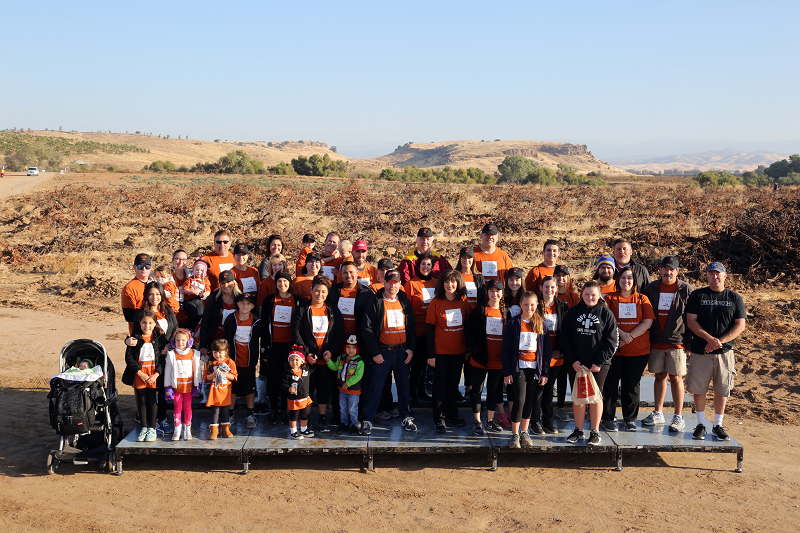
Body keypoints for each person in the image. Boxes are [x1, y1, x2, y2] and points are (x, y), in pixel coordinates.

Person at [686, 262, 746, 441]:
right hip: (701, 351)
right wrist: (709, 339)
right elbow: (691, 321)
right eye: (711, 274)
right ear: (707, 276)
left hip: (724, 353)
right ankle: (700, 424)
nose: (715, 277)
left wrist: (719, 342)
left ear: (725, 276)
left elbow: (740, 325)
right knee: (699, 388)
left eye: (718, 274)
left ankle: (717, 425)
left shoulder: (735, 297)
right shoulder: (698, 295)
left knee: (722, 389)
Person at [360, 269, 417, 435]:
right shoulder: (375, 302)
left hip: (401, 352)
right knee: (375, 387)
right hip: (382, 353)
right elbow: (367, 329)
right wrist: (375, 352)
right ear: (384, 283)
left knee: (403, 387)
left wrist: (410, 349)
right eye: (390, 282)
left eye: (396, 282)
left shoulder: (404, 301)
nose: (393, 285)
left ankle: (406, 417)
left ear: (400, 284)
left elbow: (411, 326)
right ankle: (367, 420)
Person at [560, 281, 618, 446]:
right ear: (581, 294)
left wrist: (599, 361)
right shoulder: (573, 313)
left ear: (599, 295)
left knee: (595, 396)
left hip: (598, 364)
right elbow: (565, 339)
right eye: (587, 294)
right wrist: (572, 360)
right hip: (577, 363)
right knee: (578, 397)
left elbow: (611, 341)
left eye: (593, 295)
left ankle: (595, 431)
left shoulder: (606, 314)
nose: (590, 297)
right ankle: (578, 430)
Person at [642, 256, 694, 432]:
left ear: (677, 271)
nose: (668, 272)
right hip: (656, 341)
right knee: (659, 376)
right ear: (660, 270)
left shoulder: (686, 290)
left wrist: (689, 344)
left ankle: (678, 417)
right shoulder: (651, 288)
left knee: (676, 378)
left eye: (672, 269)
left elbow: (692, 319)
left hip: (677, 342)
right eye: (665, 268)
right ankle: (658, 412)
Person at [601, 267, 655, 432]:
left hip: (638, 351)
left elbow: (647, 322)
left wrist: (629, 336)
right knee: (610, 384)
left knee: (631, 385)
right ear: (618, 280)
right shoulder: (609, 298)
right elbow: (605, 320)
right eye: (623, 277)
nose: (626, 281)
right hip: (614, 351)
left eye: (630, 277)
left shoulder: (642, 299)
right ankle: (608, 418)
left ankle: (629, 419)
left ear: (635, 280)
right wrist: (621, 334)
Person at [291, 275, 343, 432]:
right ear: (311, 290)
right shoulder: (302, 308)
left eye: (323, 292)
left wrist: (331, 351)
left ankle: (322, 419)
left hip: (326, 360)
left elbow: (339, 332)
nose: (319, 294)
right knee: (306, 390)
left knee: (323, 390)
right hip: (308, 360)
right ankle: (306, 420)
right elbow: (296, 332)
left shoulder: (332, 309)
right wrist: (306, 353)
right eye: (317, 291)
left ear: (327, 294)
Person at [502, 291, 552, 448]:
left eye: (532, 304)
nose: (529, 307)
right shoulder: (513, 324)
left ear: (536, 305)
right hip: (519, 368)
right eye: (525, 304)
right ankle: (514, 434)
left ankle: (525, 432)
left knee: (530, 401)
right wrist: (507, 371)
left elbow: (546, 351)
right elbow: (506, 349)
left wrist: (544, 372)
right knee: (520, 400)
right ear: (520, 305)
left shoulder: (541, 324)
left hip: (534, 369)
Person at [326, 260, 374, 424]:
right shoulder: (334, 290)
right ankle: (338, 415)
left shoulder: (366, 293)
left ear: (357, 273)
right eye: (345, 272)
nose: (348, 275)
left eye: (351, 272)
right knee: (337, 381)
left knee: (358, 381)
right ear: (340, 274)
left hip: (359, 346)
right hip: (338, 344)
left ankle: (359, 414)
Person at [426, 269, 473, 433]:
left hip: (458, 351)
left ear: (458, 283)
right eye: (446, 282)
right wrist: (430, 354)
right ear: (442, 284)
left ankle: (453, 414)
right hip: (440, 352)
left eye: (453, 282)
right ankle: (439, 418)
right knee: (440, 385)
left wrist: (468, 349)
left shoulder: (464, 301)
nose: (450, 285)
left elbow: (468, 327)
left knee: (453, 385)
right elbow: (430, 330)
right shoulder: (436, 302)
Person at [466, 279, 507, 435]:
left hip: (498, 360)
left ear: (502, 294)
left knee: (493, 391)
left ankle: (489, 421)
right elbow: (470, 332)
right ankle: (477, 421)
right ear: (487, 293)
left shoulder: (506, 312)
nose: (494, 294)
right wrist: (475, 350)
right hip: (480, 359)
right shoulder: (479, 310)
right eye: (491, 291)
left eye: (497, 291)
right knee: (477, 390)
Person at [122, 310, 167, 443]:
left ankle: (152, 428)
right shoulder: (134, 338)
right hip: (140, 375)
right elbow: (129, 358)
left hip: (153, 374)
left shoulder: (159, 339)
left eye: (150, 323)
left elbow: (163, 359)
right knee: (141, 401)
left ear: (155, 324)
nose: (147, 326)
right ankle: (143, 427)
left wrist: (156, 374)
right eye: (144, 323)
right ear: (140, 323)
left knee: (152, 401)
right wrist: (139, 373)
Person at [260, 270, 296, 424]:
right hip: (274, 345)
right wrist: (265, 348)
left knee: (287, 378)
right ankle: (274, 409)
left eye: (285, 281)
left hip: (290, 346)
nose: (282, 284)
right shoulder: (270, 300)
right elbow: (264, 325)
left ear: (290, 283)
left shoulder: (297, 300)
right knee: (273, 379)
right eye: (279, 281)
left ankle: (285, 409)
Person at [536, 276, 570, 434]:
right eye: (546, 287)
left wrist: (560, 352)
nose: (549, 290)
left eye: (552, 287)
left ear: (557, 289)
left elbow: (568, 333)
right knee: (537, 390)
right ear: (541, 288)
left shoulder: (563, 307)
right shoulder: (535, 306)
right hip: (537, 356)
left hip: (556, 356)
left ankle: (548, 422)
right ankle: (535, 421)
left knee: (548, 390)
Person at [404, 253, 438, 404]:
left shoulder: (437, 283)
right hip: (417, 329)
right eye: (423, 264)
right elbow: (405, 308)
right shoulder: (411, 284)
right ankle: (412, 392)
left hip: (432, 331)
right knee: (417, 365)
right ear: (418, 266)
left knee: (426, 364)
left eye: (428, 264)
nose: (426, 267)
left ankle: (422, 390)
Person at [224, 293, 261, 430]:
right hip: (233, 361)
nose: (245, 306)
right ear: (238, 304)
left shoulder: (256, 321)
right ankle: (230, 413)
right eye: (242, 303)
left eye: (248, 304)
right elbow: (226, 339)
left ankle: (250, 414)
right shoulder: (231, 319)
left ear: (252, 306)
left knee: (249, 389)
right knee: (233, 388)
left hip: (249, 361)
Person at [164, 328, 202, 441]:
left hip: (189, 387)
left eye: (183, 340)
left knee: (187, 407)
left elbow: (198, 370)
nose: (180, 343)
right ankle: (177, 429)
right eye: (178, 340)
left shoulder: (194, 354)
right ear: (173, 342)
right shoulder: (171, 354)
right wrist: (168, 386)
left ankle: (187, 429)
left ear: (189, 341)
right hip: (177, 388)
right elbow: (167, 371)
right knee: (177, 407)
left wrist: (198, 385)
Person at [326, 334, 365, 435]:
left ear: (357, 349)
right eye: (348, 347)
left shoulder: (359, 361)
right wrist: (328, 361)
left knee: (352, 409)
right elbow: (335, 368)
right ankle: (344, 423)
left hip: (353, 391)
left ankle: (354, 425)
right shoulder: (341, 357)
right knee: (343, 408)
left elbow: (358, 375)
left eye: (353, 348)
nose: (350, 350)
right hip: (342, 389)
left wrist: (348, 383)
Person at [199, 271, 241, 358]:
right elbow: (205, 320)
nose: (226, 286)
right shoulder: (214, 298)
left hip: (234, 341)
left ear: (234, 282)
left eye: (228, 282)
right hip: (216, 340)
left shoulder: (240, 298)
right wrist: (203, 344)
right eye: (222, 283)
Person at [203, 338, 238, 440]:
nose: (217, 355)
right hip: (215, 392)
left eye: (220, 352)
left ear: (226, 351)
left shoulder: (230, 362)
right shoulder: (210, 363)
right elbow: (206, 378)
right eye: (215, 352)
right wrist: (214, 374)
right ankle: (214, 431)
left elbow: (234, 377)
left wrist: (225, 374)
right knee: (215, 411)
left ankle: (226, 429)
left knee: (226, 411)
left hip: (225, 392)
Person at [282, 345, 315, 439]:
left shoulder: (306, 370)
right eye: (292, 359)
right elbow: (283, 384)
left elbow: (314, 367)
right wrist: (288, 389)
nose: (294, 362)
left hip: (305, 398)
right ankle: (293, 432)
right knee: (294, 416)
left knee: (305, 415)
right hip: (294, 399)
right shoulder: (287, 373)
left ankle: (304, 430)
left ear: (302, 361)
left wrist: (313, 360)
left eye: (297, 360)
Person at [121, 253, 152, 334]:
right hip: (139, 333)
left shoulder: (154, 284)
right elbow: (129, 316)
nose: (144, 269)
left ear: (151, 268)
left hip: (156, 332)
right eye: (140, 266)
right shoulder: (129, 288)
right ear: (134, 268)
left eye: (147, 266)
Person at [182, 259, 211, 331]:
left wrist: (205, 294)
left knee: (200, 315)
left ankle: (197, 330)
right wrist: (192, 291)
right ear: (194, 270)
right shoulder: (190, 279)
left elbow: (208, 290)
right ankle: (189, 329)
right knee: (193, 315)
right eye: (197, 270)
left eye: (201, 270)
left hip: (199, 300)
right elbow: (184, 290)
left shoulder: (206, 280)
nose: (199, 272)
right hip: (189, 300)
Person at [169, 249, 192, 327]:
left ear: (187, 261)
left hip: (189, 316)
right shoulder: (166, 276)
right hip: (172, 317)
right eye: (177, 259)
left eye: (183, 259)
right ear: (173, 260)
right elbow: (153, 274)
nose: (180, 262)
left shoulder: (191, 276)